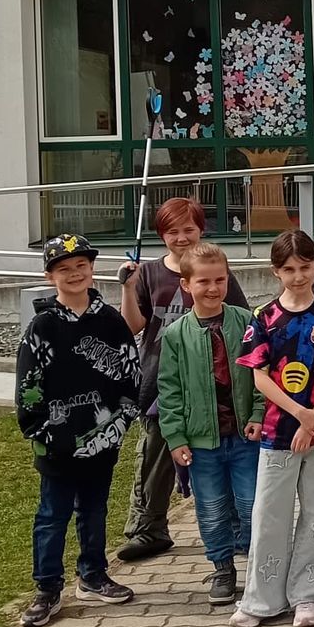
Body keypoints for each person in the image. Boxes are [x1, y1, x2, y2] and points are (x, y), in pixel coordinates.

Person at [16, 234, 142, 627]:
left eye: (81, 267)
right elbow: (28, 384)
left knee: (94, 508)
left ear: (92, 270)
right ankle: (47, 588)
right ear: (50, 275)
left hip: (101, 438)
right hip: (55, 443)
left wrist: (121, 419)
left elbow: (129, 371)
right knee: (52, 515)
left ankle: (92, 574)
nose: (74, 274)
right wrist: (40, 430)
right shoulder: (42, 326)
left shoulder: (109, 320)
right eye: (64, 269)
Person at [117, 197, 248, 563]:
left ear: (201, 230)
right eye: (172, 231)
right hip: (161, 376)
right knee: (156, 452)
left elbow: (238, 321)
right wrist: (127, 288)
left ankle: (237, 527)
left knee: (223, 456)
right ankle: (147, 526)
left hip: (213, 380)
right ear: (161, 234)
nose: (181, 237)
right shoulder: (149, 273)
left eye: (188, 229)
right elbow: (133, 326)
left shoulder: (216, 271)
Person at [231, 230, 314, 627]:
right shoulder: (263, 318)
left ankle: (307, 595)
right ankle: (261, 600)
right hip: (278, 431)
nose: (298, 276)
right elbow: (260, 377)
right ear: (276, 271)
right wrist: (300, 414)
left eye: (305, 267)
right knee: (269, 516)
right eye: (289, 270)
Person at [157, 242, 264, 605]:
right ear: (186, 284)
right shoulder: (175, 335)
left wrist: (258, 414)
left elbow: (262, 373)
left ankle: (258, 567)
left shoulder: (246, 321)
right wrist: (175, 436)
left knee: (252, 504)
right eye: (203, 281)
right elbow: (168, 390)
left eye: (220, 279)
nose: (213, 288)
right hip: (202, 441)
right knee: (212, 507)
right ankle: (222, 567)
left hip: (244, 436)